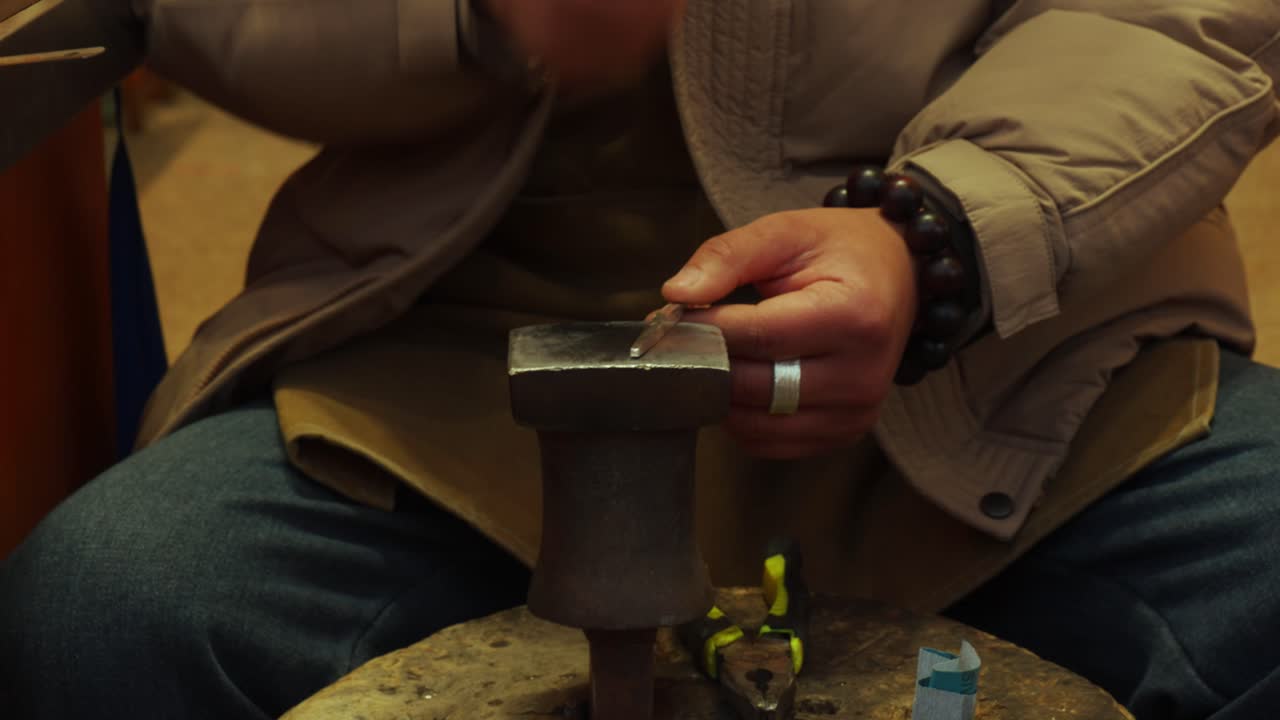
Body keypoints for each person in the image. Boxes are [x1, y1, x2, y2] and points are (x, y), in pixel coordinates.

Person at [3, 1, 1279, 718]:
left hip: (1016, 343)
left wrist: (939, 236)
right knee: (112, 621)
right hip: (456, 359)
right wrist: (468, 15)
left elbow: (1172, 15)